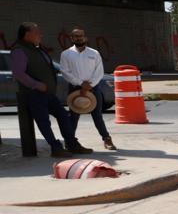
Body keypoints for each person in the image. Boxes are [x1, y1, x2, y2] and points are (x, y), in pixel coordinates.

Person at [9, 22, 89, 157]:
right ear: (27, 34)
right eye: (37, 32)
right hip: (34, 94)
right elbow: (18, 73)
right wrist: (36, 84)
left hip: (48, 94)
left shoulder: (37, 48)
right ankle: (55, 148)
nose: (40, 35)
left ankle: (72, 144)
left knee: (63, 116)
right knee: (44, 121)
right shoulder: (19, 50)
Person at [60, 27, 116, 150]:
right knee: (73, 116)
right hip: (75, 89)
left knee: (97, 116)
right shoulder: (66, 54)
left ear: (85, 37)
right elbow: (65, 72)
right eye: (76, 36)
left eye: (81, 35)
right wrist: (81, 83)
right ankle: (69, 142)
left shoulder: (94, 53)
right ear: (71, 38)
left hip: (93, 88)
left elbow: (99, 71)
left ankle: (107, 139)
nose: (79, 38)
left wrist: (90, 85)